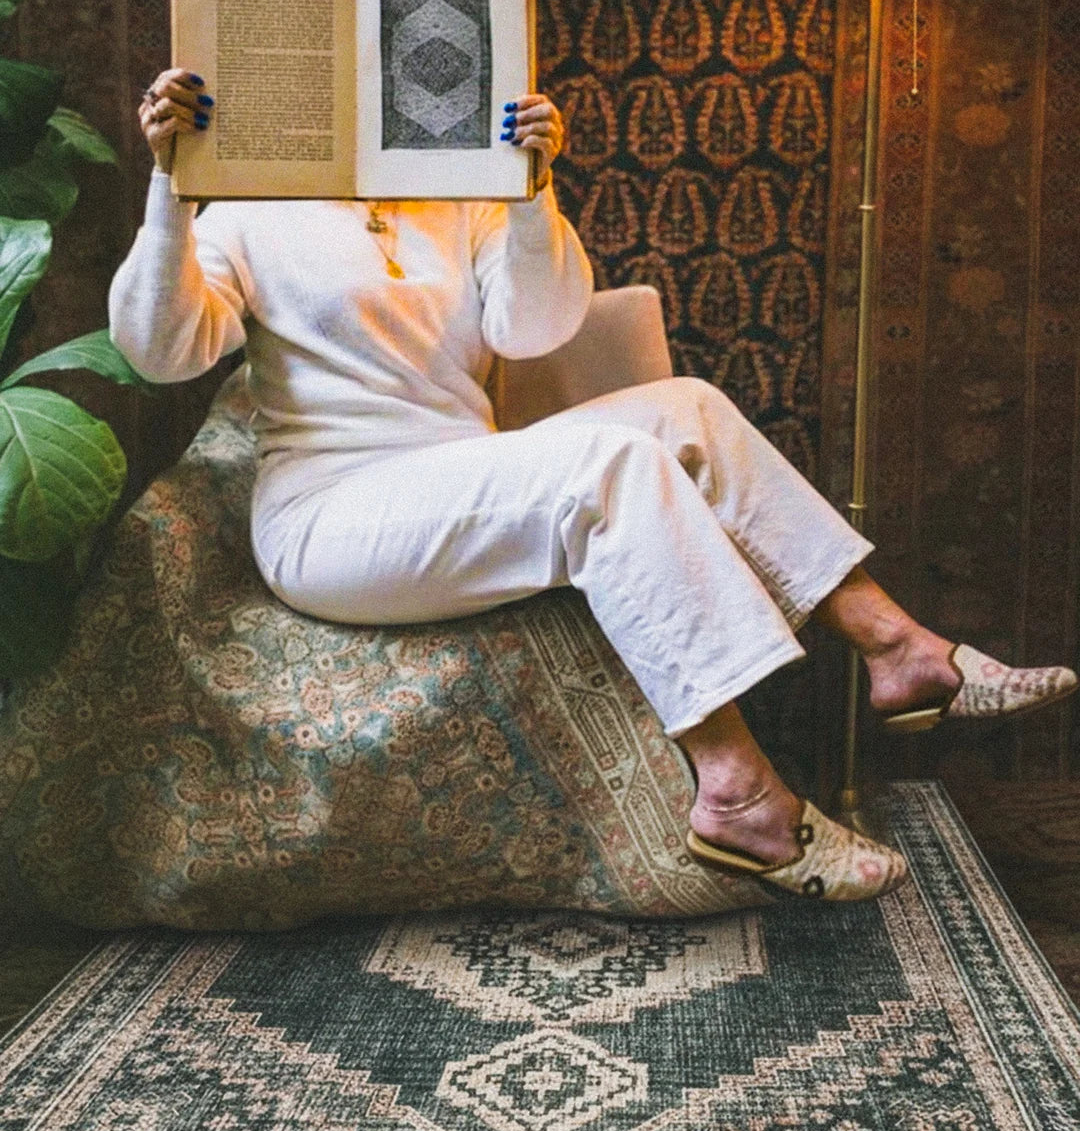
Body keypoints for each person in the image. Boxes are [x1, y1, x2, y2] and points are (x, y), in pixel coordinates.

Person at [109, 69, 1078, 905]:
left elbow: (537, 327)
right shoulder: (249, 209)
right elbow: (160, 351)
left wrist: (531, 188)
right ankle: (737, 789)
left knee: (686, 408)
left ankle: (902, 652)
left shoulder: (461, 195)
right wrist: (173, 186)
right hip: (330, 512)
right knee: (609, 469)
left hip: (456, 472)